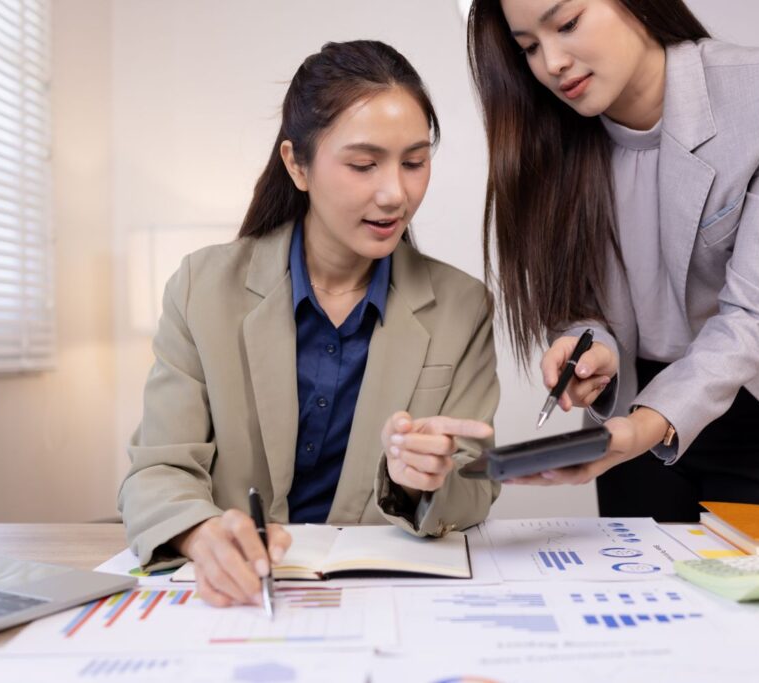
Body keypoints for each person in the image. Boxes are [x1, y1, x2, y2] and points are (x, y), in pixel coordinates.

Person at [467, 0, 759, 521]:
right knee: (639, 595)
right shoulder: (549, 134)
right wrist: (591, 349)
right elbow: (580, 300)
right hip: (636, 401)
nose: (553, 62)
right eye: (529, 48)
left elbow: (758, 310)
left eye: (567, 24)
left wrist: (649, 423)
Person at [120, 40, 500, 607]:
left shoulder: (462, 304)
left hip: (388, 602)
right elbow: (158, 470)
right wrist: (204, 536)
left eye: (415, 162)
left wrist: (418, 480)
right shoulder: (203, 288)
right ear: (297, 164)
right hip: (241, 600)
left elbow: (476, 484)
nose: (395, 192)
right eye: (364, 164)